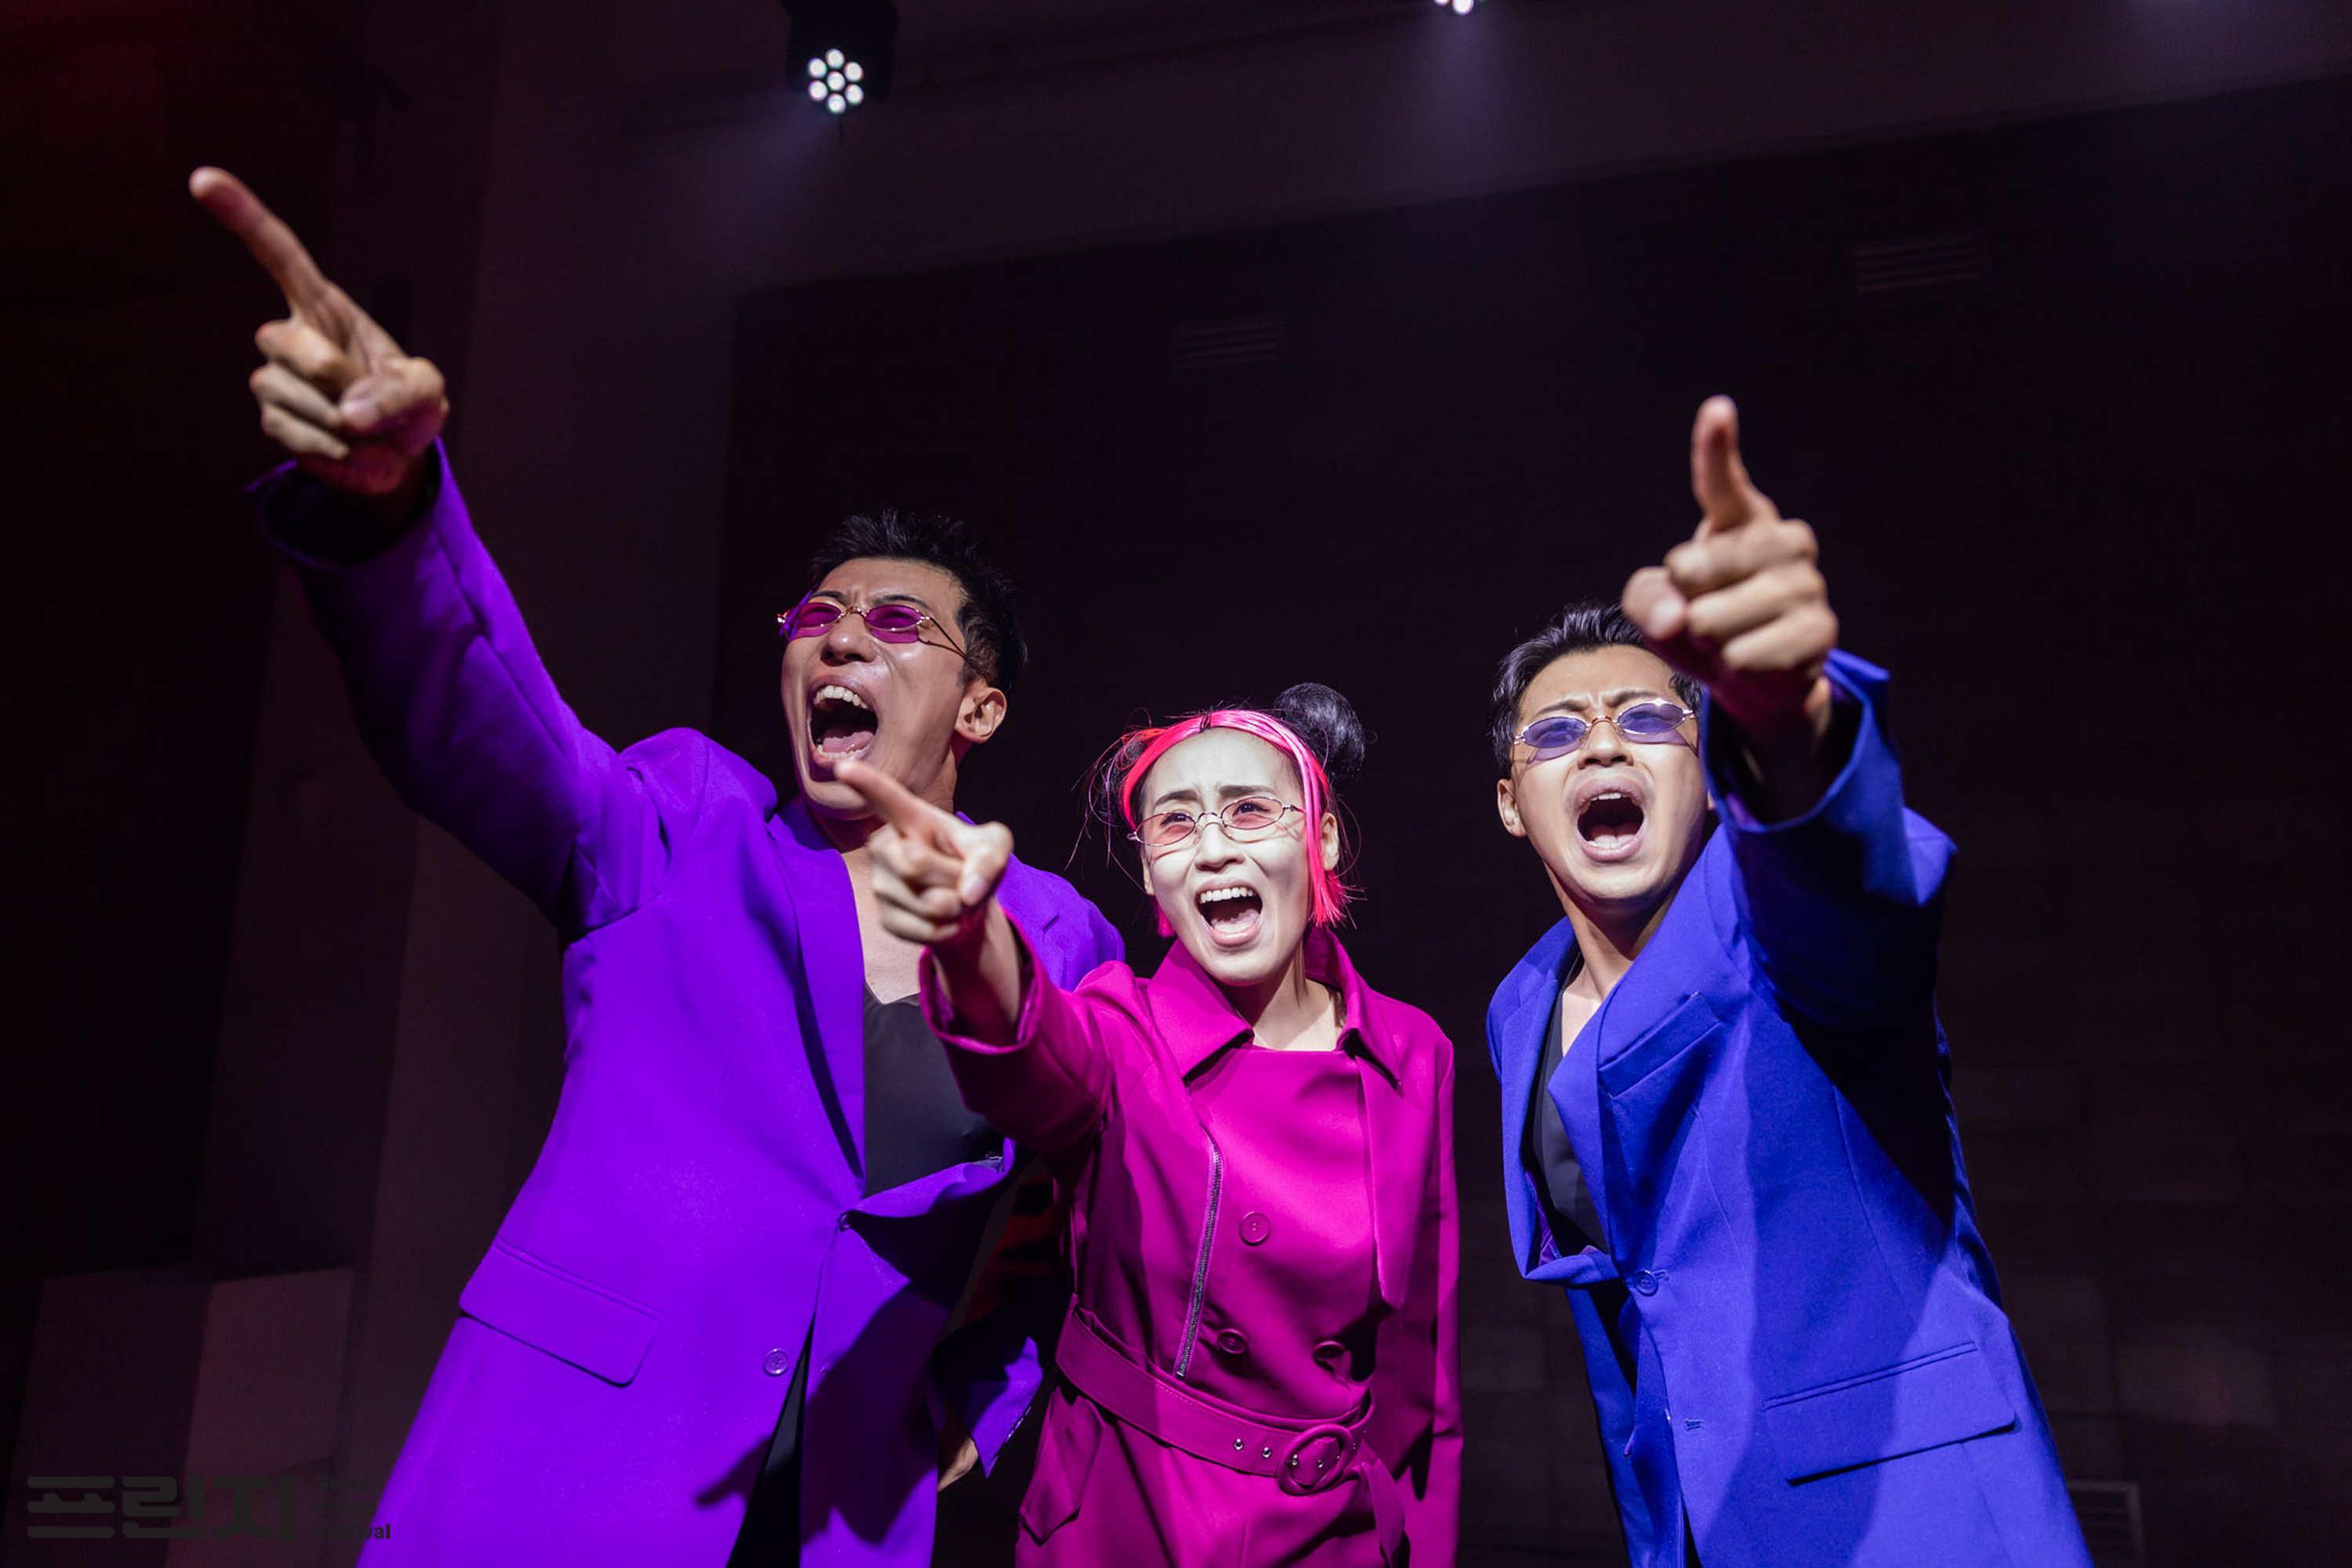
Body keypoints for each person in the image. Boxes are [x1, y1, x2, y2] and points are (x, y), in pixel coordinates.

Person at [189, 166, 1123, 1566]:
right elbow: (489, 724)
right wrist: (392, 515)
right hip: (564, 1479)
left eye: (896, 624)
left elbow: (1091, 1210)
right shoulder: (686, 824)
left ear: (980, 708)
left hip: (839, 1513)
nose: (840, 637)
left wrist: (984, 1398)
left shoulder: (1057, 936)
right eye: (816, 616)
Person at [1484, 398, 2090, 1566]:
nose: (1603, 745)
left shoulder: (1774, 920)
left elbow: (1852, 878)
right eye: (1556, 733)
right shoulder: (1522, 1008)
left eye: (1650, 718)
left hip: (1916, 1519)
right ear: (1512, 803)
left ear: (1709, 769)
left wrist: (1786, 719)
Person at [833, 684, 1460, 1566]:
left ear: (1320, 839)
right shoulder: (1119, 1022)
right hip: (1126, 1515)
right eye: (1175, 822)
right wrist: (976, 947)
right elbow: (1034, 1058)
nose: (1213, 847)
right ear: (1148, 871)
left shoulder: (1412, 1052)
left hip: (1334, 1535)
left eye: (1249, 810)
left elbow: (1418, 1370)